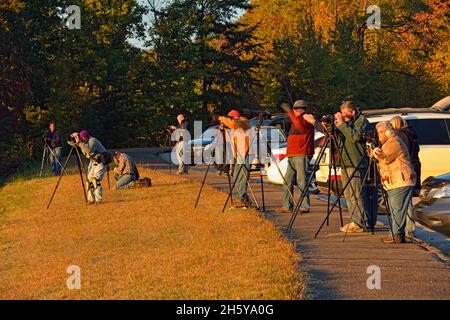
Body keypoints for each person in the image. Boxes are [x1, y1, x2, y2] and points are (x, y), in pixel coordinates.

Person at [373, 122, 416, 244]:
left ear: (388, 132)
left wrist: (376, 153)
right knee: (394, 209)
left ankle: (396, 235)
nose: (378, 135)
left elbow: (386, 158)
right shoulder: (388, 143)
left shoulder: (394, 142)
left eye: (381, 132)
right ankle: (397, 234)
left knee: (397, 209)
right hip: (395, 180)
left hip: (401, 180)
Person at [334, 101, 371, 233]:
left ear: (353, 112)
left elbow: (355, 137)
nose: (343, 116)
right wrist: (330, 126)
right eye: (341, 113)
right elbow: (337, 138)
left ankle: (359, 223)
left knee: (356, 194)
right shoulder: (346, 124)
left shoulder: (361, 121)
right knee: (348, 194)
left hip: (356, 161)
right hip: (345, 161)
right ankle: (355, 220)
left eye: (345, 113)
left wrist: (342, 124)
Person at [276, 100, 315, 214]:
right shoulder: (297, 120)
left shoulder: (306, 119)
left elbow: (300, 127)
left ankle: (304, 206)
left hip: (301, 153)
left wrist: (289, 112)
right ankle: (287, 206)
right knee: (287, 181)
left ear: (303, 110)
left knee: (301, 181)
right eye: (294, 109)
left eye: (297, 109)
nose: (294, 110)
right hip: (293, 154)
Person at [390, 116, 421, 239]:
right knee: (409, 201)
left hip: (405, 169)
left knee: (404, 202)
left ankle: (407, 229)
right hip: (414, 167)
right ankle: (410, 228)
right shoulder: (411, 134)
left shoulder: (399, 135)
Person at [218, 110, 251, 209]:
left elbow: (232, 123)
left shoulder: (243, 122)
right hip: (238, 156)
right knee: (237, 177)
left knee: (241, 178)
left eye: (229, 118)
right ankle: (243, 198)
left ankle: (243, 200)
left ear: (234, 118)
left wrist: (220, 118)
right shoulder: (234, 127)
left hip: (244, 154)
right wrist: (222, 130)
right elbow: (228, 139)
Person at [71, 130, 108, 204]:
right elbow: (72, 143)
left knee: (95, 180)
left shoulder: (92, 140)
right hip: (93, 160)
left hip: (101, 160)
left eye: (82, 138)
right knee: (89, 180)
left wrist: (79, 142)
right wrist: (72, 137)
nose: (82, 140)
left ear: (86, 137)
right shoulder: (83, 142)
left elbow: (88, 150)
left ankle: (99, 200)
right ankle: (91, 200)